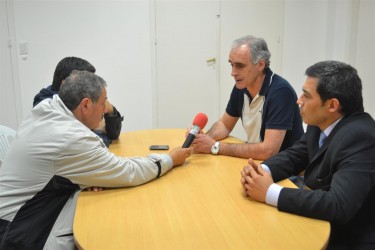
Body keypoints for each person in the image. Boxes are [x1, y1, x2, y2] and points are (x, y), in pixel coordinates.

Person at [0, 70, 191, 249]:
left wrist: (87, 177)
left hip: (23, 211)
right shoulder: (71, 137)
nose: (105, 110)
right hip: (16, 232)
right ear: (85, 105)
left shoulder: (48, 108)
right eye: (103, 102)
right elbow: (127, 171)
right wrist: (169, 160)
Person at [240, 60, 375, 249]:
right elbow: (295, 156)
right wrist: (261, 171)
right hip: (319, 221)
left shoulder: (361, 137)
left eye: (306, 95)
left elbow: (339, 205)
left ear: (332, 105)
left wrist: (269, 192)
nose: (299, 100)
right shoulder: (319, 122)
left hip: (348, 238)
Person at [192, 35, 303, 160]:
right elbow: (225, 124)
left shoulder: (281, 92)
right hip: (259, 163)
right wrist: (204, 138)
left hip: (286, 171)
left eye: (239, 66)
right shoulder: (241, 87)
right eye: (231, 65)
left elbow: (269, 151)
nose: (233, 73)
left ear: (260, 64)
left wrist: (216, 146)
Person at [33, 56, 123, 147]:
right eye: (87, 81)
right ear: (66, 83)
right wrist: (100, 132)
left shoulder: (83, 97)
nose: (93, 85)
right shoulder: (48, 107)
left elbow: (113, 134)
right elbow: (84, 146)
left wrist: (110, 110)